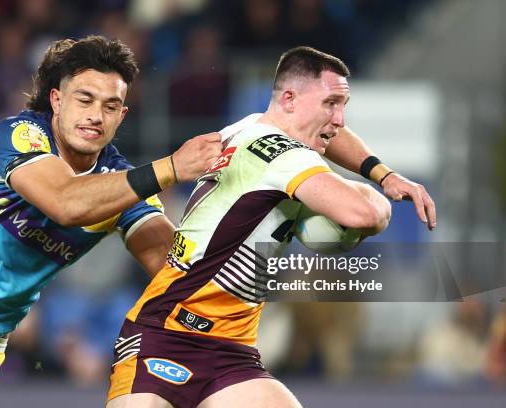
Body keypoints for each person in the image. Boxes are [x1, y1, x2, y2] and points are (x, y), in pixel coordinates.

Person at [0, 35, 222, 408]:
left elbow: (177, 273)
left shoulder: (123, 188)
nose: (96, 116)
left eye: (110, 106)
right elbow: (64, 202)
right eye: (85, 99)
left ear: (122, 116)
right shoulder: (23, 133)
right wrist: (172, 168)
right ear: (57, 99)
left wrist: (243, 212)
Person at [107, 46, 414, 407]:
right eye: (331, 103)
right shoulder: (284, 156)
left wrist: (381, 170)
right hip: (165, 334)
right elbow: (363, 214)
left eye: (343, 105)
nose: (341, 119)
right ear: (289, 99)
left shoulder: (250, 125)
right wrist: (376, 192)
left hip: (231, 350)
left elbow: (330, 138)